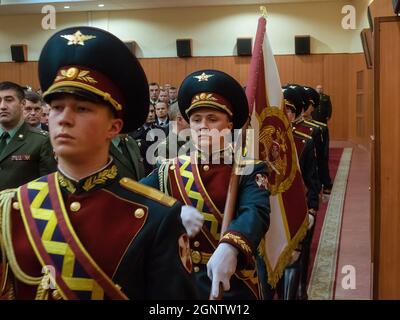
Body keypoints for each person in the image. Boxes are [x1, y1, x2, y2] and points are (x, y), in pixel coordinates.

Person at [0, 26, 197, 300]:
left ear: (114, 127)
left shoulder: (154, 216)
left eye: (82, 109)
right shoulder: (13, 207)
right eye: (56, 107)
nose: (64, 118)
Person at [141, 69, 270, 300]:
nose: (202, 126)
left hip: (232, 279)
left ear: (229, 124)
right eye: (196, 119)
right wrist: (172, 211)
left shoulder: (249, 168)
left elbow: (256, 212)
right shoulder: (169, 169)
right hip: (180, 282)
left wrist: (231, 246)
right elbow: (135, 198)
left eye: (212, 119)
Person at [0, 81, 56, 191]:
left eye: (9, 100)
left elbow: (49, 188)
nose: (2, 106)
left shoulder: (41, 140)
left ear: (23, 103)